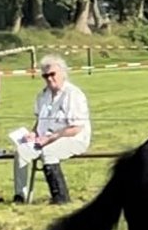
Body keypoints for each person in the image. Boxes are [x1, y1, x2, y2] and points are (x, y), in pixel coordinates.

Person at [13, 55, 91, 205]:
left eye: (52, 74)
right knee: (21, 151)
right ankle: (20, 196)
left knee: (49, 152)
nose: (49, 78)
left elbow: (76, 128)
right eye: (45, 75)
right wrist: (33, 133)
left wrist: (51, 138)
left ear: (63, 73)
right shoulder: (43, 95)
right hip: (44, 139)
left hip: (73, 139)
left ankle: (60, 197)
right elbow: (39, 121)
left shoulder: (73, 94)